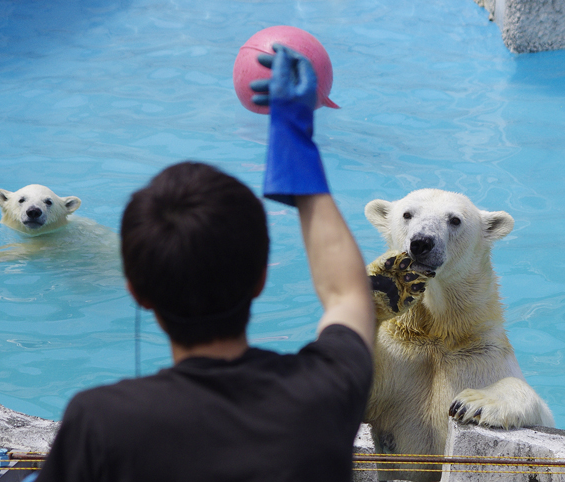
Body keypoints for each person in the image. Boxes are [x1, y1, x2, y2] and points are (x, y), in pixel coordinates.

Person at [33, 44, 376, 482]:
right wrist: (293, 136)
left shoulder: (101, 422)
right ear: (261, 278)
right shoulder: (323, 392)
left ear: (137, 290)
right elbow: (345, 293)